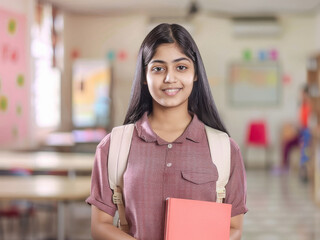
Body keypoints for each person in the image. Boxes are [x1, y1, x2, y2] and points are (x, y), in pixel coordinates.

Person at [86, 23, 248, 240]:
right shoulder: (114, 145)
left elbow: (234, 227)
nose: (170, 78)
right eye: (158, 68)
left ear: (195, 74)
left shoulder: (225, 149)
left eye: (181, 67)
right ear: (144, 76)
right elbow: (100, 225)